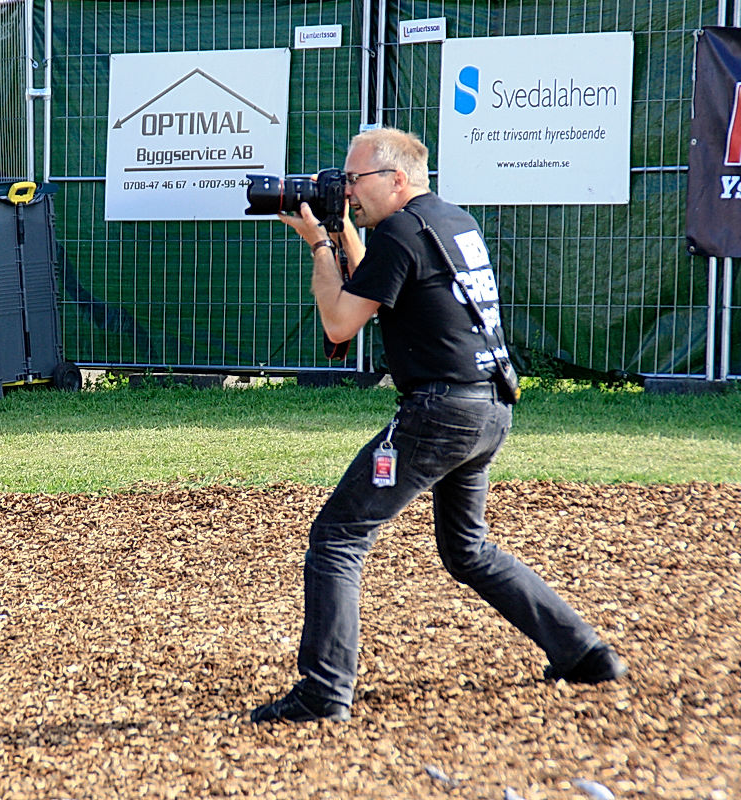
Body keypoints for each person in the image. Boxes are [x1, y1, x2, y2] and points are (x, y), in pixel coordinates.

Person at [250, 127, 626, 724]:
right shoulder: (449, 221)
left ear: (396, 179)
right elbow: (377, 281)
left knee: (338, 538)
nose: (348, 191)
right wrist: (341, 230)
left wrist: (320, 244)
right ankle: (584, 653)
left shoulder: (401, 232)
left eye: (355, 180)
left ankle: (324, 694)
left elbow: (341, 323)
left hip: (440, 413)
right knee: (467, 549)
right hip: (488, 407)